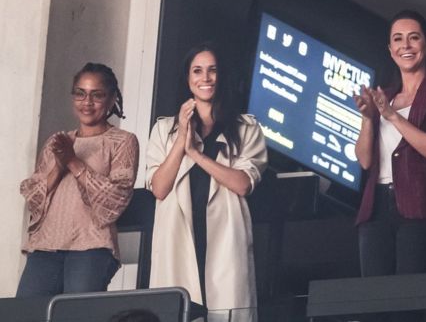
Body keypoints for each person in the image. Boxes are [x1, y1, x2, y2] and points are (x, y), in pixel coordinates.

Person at [146, 41, 267, 322]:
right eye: (197, 71)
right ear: (188, 80)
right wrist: (180, 142)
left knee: (226, 310)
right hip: (178, 239)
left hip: (225, 242)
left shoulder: (246, 128)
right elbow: (159, 187)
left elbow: (242, 184)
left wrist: (196, 155)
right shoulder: (164, 129)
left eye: (212, 70)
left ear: (221, 76)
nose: (205, 78)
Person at [353, 10, 426, 278]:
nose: (406, 45)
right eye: (398, 39)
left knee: (408, 297)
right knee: (373, 299)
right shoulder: (383, 96)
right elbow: (365, 161)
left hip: (420, 205)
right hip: (376, 205)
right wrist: (369, 119)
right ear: (390, 49)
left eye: (414, 38)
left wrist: (391, 117)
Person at [17, 63, 139, 297]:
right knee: (22, 314)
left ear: (113, 98)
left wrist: (74, 162)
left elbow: (114, 202)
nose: (87, 102)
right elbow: (33, 200)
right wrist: (59, 166)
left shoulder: (123, 141)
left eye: (97, 94)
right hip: (45, 245)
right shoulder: (59, 141)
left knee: (77, 315)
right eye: (80, 93)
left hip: (91, 247)